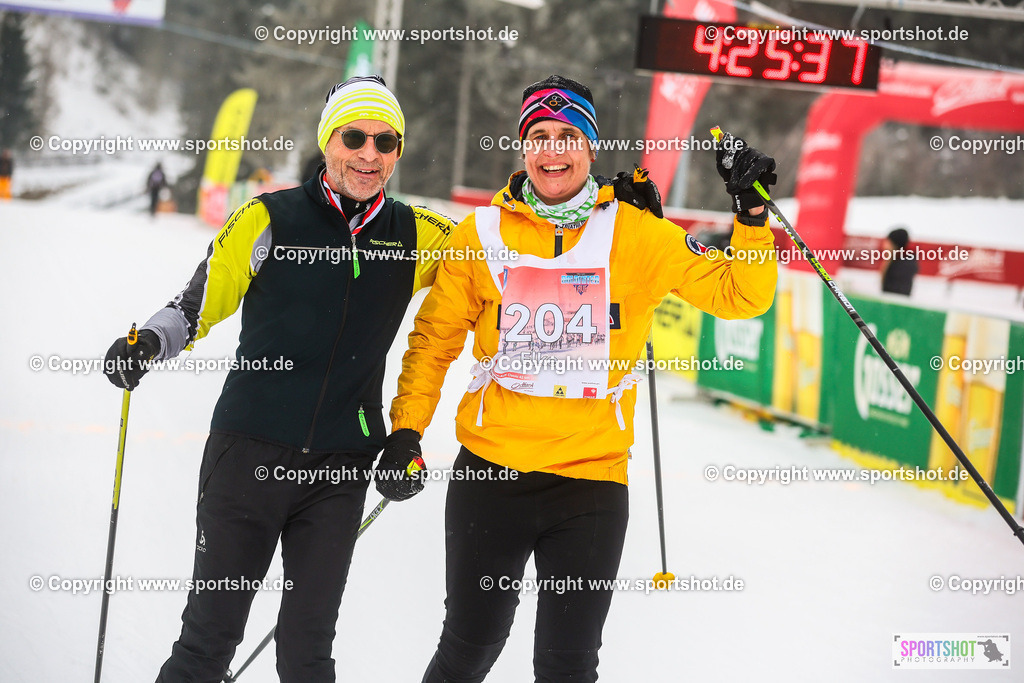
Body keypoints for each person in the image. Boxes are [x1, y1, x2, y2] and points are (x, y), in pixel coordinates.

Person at [375, 75, 779, 682]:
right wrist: (407, 430)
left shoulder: (637, 233)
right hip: (491, 474)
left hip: (589, 483)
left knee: (567, 666)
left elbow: (741, 295)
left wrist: (750, 213)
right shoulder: (480, 235)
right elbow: (434, 342)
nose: (552, 150)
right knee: (468, 648)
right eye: (539, 135)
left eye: (568, 135)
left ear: (590, 146)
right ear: (522, 147)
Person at [103, 75, 455, 682]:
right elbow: (197, 303)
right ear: (328, 141)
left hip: (340, 468)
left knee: (308, 652)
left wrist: (611, 213)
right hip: (248, 454)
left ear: (398, 151)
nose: (369, 154)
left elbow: (510, 259)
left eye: (386, 141)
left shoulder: (418, 233)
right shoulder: (269, 218)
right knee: (208, 641)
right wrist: (150, 342)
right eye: (354, 137)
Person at [881, 226, 917, 296]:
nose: (885, 246)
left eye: (888, 243)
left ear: (894, 245)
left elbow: (897, 290)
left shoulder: (905, 263)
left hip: (896, 299)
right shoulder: (894, 259)